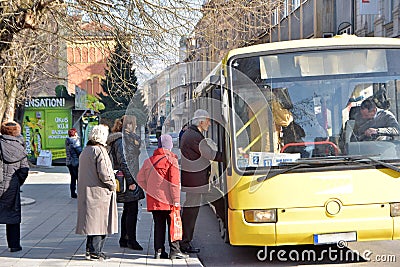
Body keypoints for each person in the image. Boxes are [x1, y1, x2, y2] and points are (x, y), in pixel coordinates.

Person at [179, 109, 225, 254]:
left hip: (197, 181)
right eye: (208, 121)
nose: (209, 124)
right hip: (196, 183)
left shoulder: (192, 134)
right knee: (190, 213)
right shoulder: (194, 136)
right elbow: (210, 154)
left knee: (218, 200)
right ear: (200, 121)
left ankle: (228, 225)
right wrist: (231, 156)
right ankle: (184, 243)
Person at [137, 134, 189, 260]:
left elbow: (140, 179)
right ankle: (174, 251)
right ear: (170, 146)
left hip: (154, 200)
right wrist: (176, 201)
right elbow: (174, 183)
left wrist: (149, 189)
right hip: (168, 200)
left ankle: (159, 252)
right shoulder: (172, 160)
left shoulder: (149, 161)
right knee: (173, 224)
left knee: (158, 225)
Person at [76, 124, 118, 261]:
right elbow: (105, 173)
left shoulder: (86, 150)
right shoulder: (100, 150)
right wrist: (113, 184)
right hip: (99, 193)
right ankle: (96, 252)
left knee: (91, 223)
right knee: (100, 224)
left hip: (87, 191)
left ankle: (90, 250)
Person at [106, 115, 144, 250]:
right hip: (127, 180)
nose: (135, 127)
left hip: (129, 178)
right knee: (132, 210)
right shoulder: (121, 141)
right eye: (134, 124)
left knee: (128, 210)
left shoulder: (123, 139)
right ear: (129, 125)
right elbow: (124, 161)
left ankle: (125, 238)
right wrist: (131, 181)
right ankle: (131, 240)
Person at [0, 121, 29, 252]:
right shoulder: (20, 148)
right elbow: (24, 170)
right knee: (12, 215)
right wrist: (17, 182)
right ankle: (14, 245)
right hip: (12, 187)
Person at [65, 128, 82, 198]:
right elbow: (79, 152)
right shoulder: (75, 141)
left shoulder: (67, 141)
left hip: (69, 162)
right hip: (76, 162)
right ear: (75, 134)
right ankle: (80, 192)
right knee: (79, 178)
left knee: (73, 178)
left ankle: (73, 193)